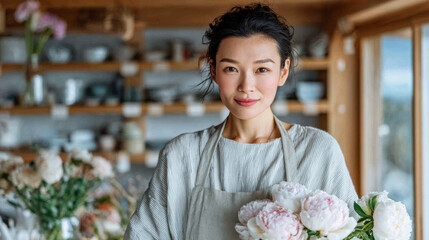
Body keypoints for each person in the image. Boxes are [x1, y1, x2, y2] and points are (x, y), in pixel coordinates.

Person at [124, 3, 358, 240]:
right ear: (213, 70)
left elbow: (354, 235)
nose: (246, 86)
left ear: (283, 72)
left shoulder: (317, 151)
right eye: (231, 69)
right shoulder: (182, 156)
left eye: (262, 69)